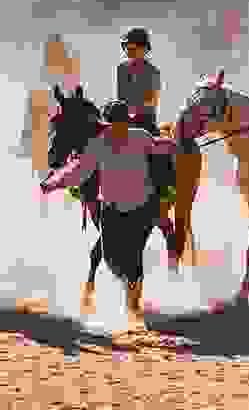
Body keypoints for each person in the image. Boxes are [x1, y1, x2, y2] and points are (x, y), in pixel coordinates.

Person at [39, 99, 180, 328]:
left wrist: (170, 145)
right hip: (111, 210)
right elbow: (79, 171)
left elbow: (155, 145)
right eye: (114, 123)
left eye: (122, 123)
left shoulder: (140, 137)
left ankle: (133, 308)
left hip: (141, 209)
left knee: (133, 259)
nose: (119, 127)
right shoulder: (99, 144)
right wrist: (54, 183)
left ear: (127, 122)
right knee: (112, 259)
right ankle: (125, 296)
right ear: (108, 124)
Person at [17, 33, 81, 170]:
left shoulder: (68, 69)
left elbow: (74, 89)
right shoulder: (45, 72)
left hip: (67, 113)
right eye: (51, 50)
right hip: (50, 114)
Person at [116, 27, 161, 137]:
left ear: (145, 49)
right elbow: (121, 98)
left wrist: (134, 114)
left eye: (133, 48)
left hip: (145, 122)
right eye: (127, 48)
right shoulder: (121, 69)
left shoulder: (152, 71)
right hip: (124, 120)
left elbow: (150, 102)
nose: (129, 51)